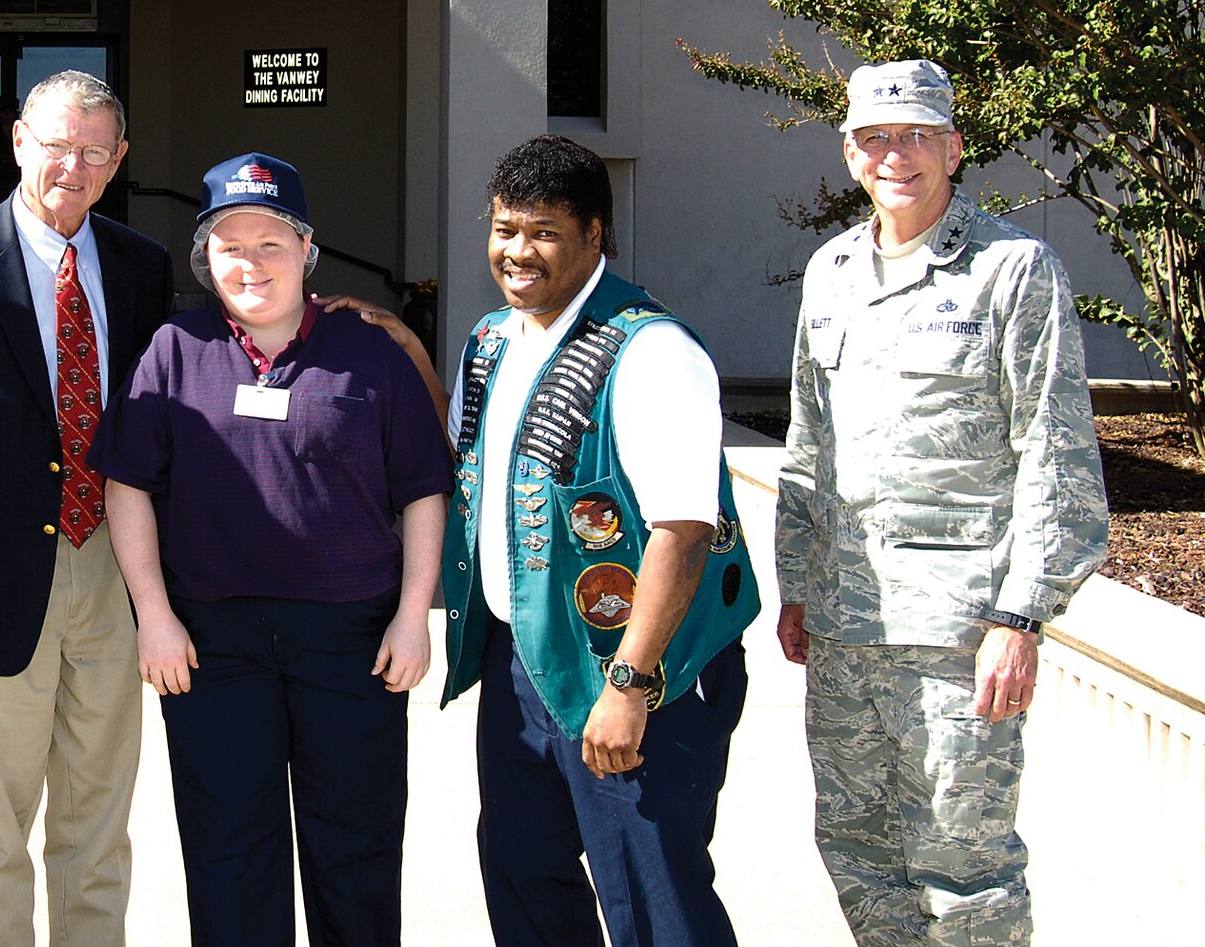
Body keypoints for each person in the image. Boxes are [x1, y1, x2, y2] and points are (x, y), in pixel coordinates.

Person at [346, 134, 760, 947]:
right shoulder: (494, 339)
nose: (517, 251)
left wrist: (629, 685)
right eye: (505, 229)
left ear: (594, 235)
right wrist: (413, 354)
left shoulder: (652, 349)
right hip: (522, 660)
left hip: (642, 669)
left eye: (544, 232)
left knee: (654, 898)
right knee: (524, 876)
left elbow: (683, 531)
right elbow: (475, 463)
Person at [777, 60, 1108, 945]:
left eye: (918, 135)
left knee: (966, 877)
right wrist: (798, 584)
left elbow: (1057, 453)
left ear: (954, 148)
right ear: (851, 155)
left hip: (959, 636)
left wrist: (1021, 618)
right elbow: (809, 441)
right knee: (859, 857)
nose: (897, 154)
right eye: (876, 137)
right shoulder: (831, 272)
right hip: (845, 626)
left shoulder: (1013, 270)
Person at [94, 153, 450, 947]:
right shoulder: (174, 349)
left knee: (355, 848)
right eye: (230, 246)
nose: (250, 264)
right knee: (228, 850)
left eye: (271, 244)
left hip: (352, 642)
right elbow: (126, 485)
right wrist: (154, 616)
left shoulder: (370, 352)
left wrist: (413, 617)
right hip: (214, 644)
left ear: (306, 250)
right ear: (205, 256)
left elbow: (424, 489)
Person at [0, 70, 173, 945]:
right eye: (57, 145)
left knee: (99, 825)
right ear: (19, 142)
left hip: (113, 570)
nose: (73, 167)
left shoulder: (142, 266)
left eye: (94, 151)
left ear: (118, 160)